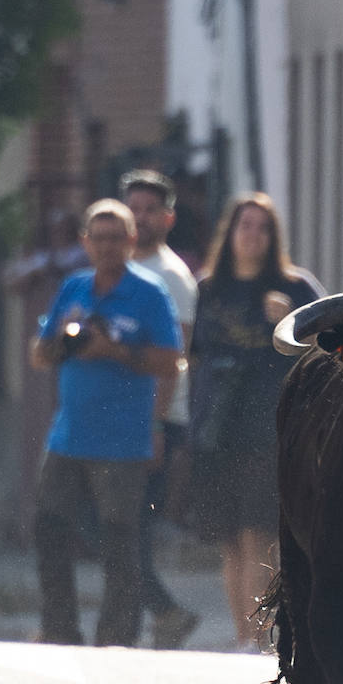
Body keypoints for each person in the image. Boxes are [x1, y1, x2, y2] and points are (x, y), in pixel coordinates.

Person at [29, 199, 182, 646]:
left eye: (117, 237)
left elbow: (172, 362)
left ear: (132, 241)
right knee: (49, 528)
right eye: (99, 238)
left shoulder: (150, 293)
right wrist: (63, 341)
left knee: (118, 542)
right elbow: (39, 355)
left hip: (122, 442)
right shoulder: (74, 288)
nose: (108, 246)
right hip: (68, 435)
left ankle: (116, 637)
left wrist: (115, 351)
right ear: (85, 243)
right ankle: (59, 628)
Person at [189, 193, 324, 650]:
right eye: (244, 225)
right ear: (230, 233)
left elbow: (331, 348)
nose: (252, 235)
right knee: (229, 539)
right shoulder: (208, 289)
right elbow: (194, 357)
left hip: (269, 428)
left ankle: (263, 637)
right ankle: (242, 634)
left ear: (273, 237)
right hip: (216, 429)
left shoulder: (295, 287)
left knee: (260, 535)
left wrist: (291, 323)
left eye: (262, 227)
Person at [120, 169, 200, 650]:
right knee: (108, 523)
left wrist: (155, 424)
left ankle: (160, 614)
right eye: (134, 208)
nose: (141, 217)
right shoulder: (115, 269)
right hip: (114, 416)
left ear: (168, 218)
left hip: (157, 419)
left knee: (133, 528)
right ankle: (153, 614)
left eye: (151, 209)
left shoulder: (173, 278)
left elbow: (178, 358)